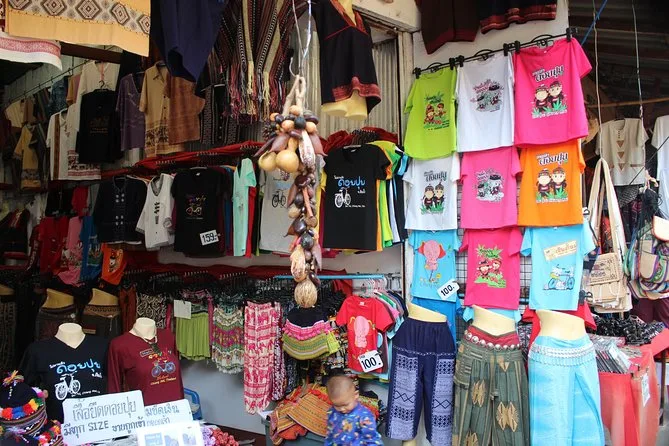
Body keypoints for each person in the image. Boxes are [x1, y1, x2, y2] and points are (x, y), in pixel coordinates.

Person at [324, 375, 383, 445]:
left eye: (346, 405)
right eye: (337, 405)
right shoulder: (332, 412)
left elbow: (372, 439)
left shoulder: (364, 416)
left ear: (356, 395)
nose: (342, 409)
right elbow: (330, 434)